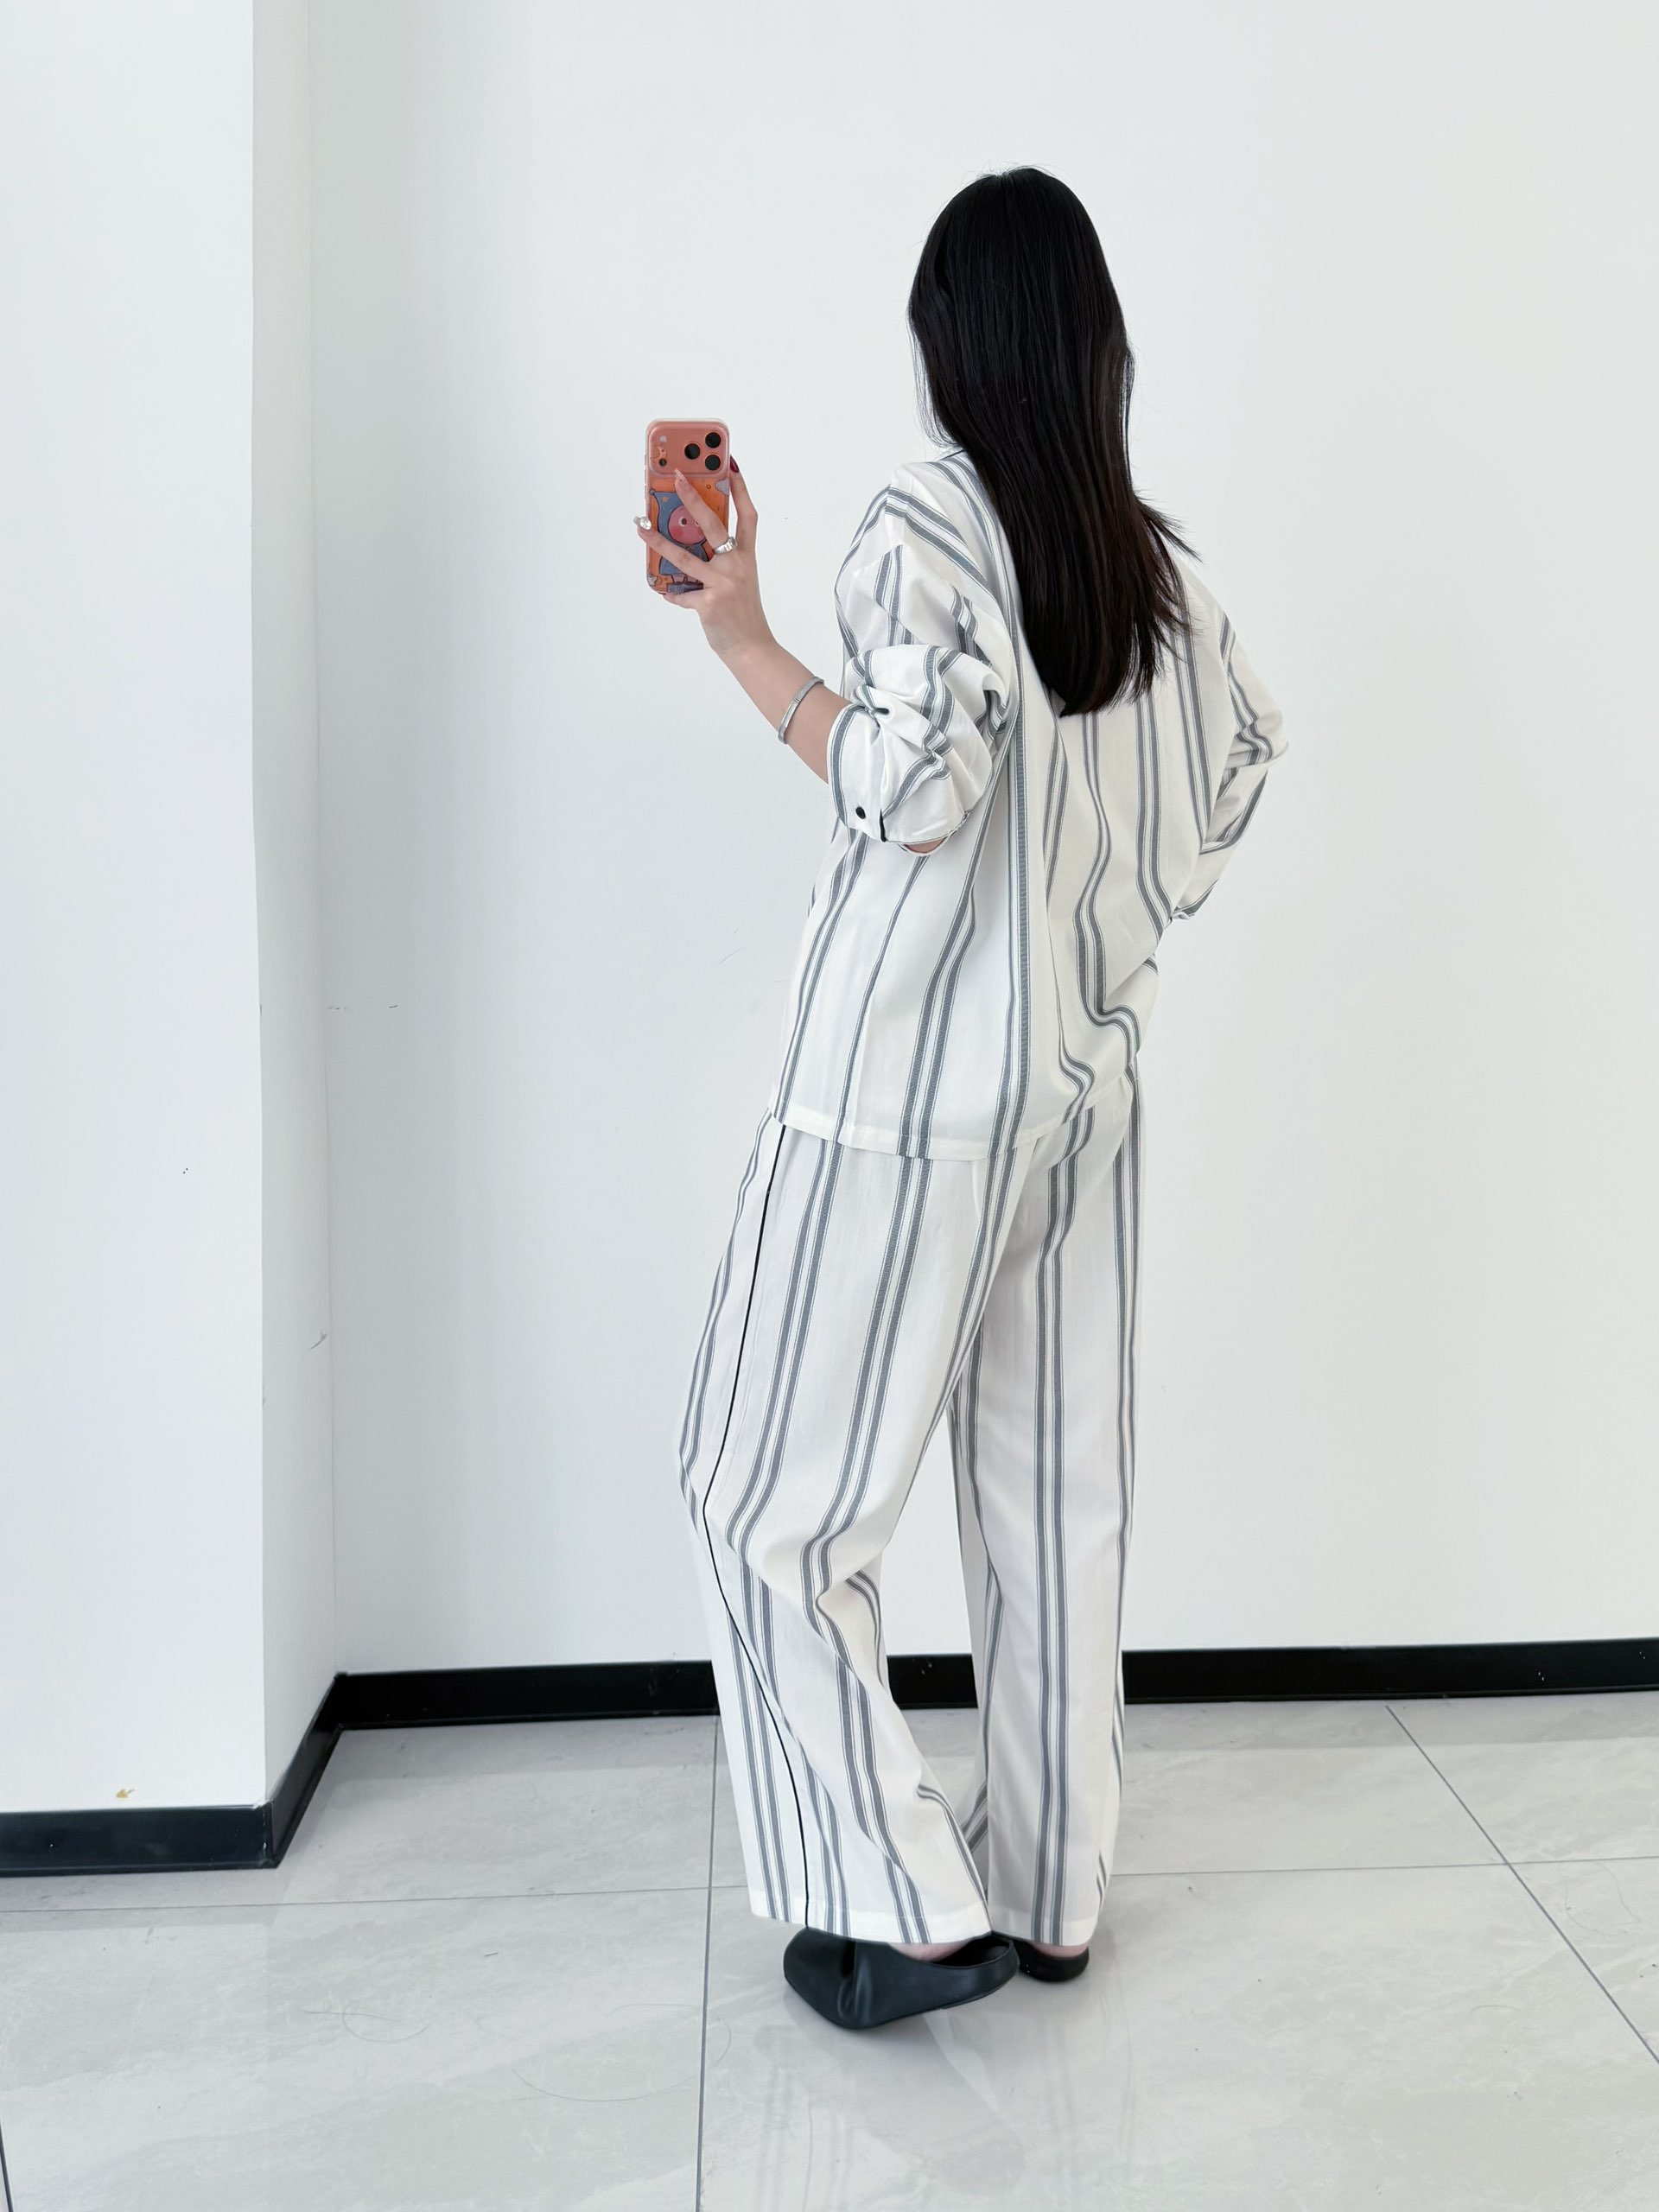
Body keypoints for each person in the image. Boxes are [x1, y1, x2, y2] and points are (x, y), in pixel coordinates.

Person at [637, 165, 1287, 2032]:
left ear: (949, 346)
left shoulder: (923, 522)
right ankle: (1049, 1891)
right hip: (1078, 1099)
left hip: (902, 1107)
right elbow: (1241, 769)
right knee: (1051, 1501)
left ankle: (904, 1901)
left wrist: (745, 641)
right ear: (1095, 351)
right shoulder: (1153, 573)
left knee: (761, 1498)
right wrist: (1099, 924)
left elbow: (918, 787)